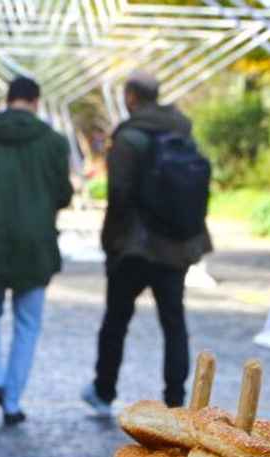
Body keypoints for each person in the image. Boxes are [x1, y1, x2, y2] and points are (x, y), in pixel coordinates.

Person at [82, 74, 213, 414]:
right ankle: (175, 398)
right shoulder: (182, 131)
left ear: (131, 97)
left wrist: (111, 242)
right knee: (174, 322)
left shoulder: (129, 138)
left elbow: (119, 194)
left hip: (134, 247)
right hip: (176, 246)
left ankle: (104, 389)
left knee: (116, 320)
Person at [0, 76, 73, 427]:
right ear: (36, 102)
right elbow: (63, 194)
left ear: (8, 99)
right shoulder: (53, 142)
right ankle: (13, 400)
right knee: (27, 324)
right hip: (34, 248)